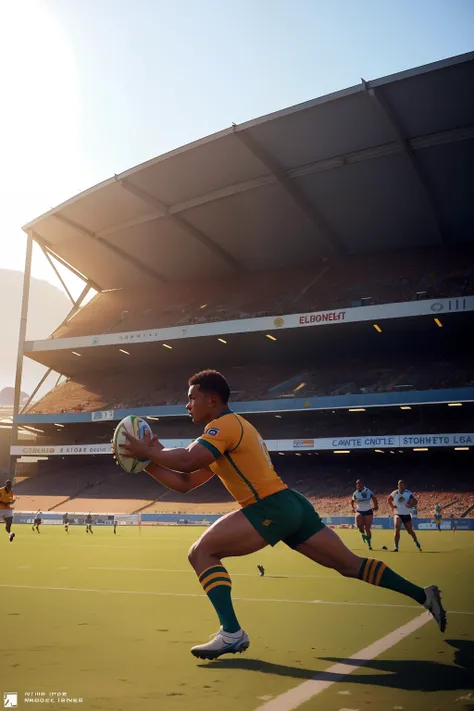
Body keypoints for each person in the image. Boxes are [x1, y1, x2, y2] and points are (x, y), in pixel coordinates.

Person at [120, 370, 446, 660]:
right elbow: (185, 482)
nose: (187, 405)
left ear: (213, 399)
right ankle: (424, 594)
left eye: (192, 398)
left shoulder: (225, 425)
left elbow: (189, 461)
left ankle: (231, 633)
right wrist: (147, 462)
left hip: (270, 506)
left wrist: (148, 450)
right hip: (292, 504)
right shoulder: (222, 433)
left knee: (201, 552)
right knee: (350, 565)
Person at [388, 480, 422, 552]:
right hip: (398, 514)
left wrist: (410, 505)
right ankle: (396, 547)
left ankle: (416, 541)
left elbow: (415, 501)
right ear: (397, 486)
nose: (400, 486)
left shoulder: (408, 493)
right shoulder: (395, 493)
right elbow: (389, 499)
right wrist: (392, 505)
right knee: (397, 528)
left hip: (406, 514)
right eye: (399, 484)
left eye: (402, 484)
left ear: (404, 486)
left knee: (410, 531)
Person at [351, 479, 378, 550]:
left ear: (363, 485)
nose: (358, 485)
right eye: (357, 484)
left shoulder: (367, 491)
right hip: (359, 511)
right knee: (359, 525)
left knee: (367, 529)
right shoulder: (355, 493)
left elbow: (374, 498)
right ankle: (363, 535)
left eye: (360, 484)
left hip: (368, 511)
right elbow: (352, 501)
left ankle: (369, 544)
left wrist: (376, 506)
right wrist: (353, 508)